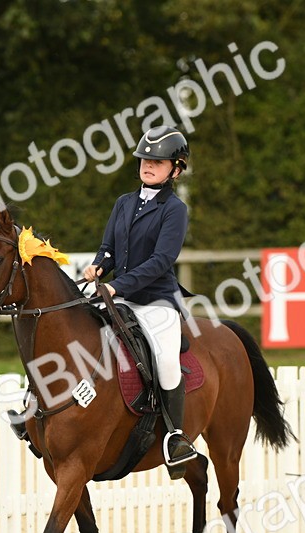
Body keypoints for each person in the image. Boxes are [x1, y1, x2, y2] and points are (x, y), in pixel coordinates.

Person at [83, 125, 197, 471]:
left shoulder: (174, 209)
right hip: (119, 295)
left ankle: (176, 438)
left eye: (157, 161)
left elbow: (161, 260)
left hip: (156, 301)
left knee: (164, 360)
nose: (148, 165)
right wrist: (99, 266)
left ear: (175, 169)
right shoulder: (124, 203)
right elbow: (109, 248)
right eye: (145, 159)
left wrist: (120, 286)